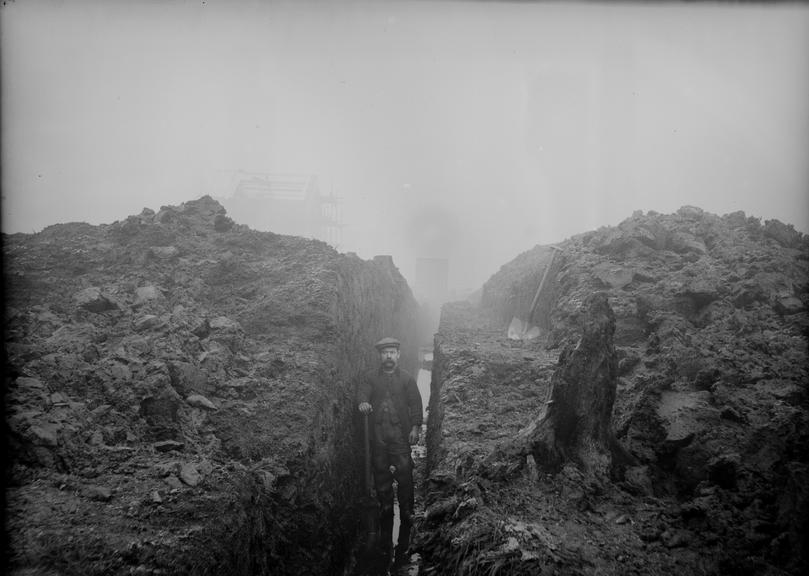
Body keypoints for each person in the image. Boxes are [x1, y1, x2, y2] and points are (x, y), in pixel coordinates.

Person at [357, 337, 423, 567]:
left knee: (404, 475)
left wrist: (415, 427)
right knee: (382, 476)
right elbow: (362, 392)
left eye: (392, 352)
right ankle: (386, 509)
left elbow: (415, 404)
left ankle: (406, 511)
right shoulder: (370, 377)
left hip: (399, 438)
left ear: (398, 355)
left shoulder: (406, 379)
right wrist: (363, 403)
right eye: (384, 352)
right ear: (379, 356)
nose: (388, 356)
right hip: (378, 440)